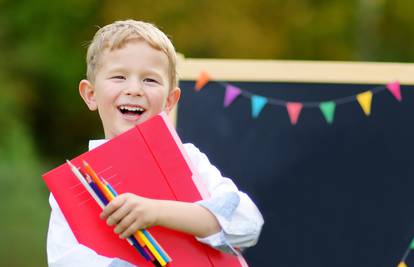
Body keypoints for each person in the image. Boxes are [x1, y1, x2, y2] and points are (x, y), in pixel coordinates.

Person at [47, 19, 264, 267]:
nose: (134, 89)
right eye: (119, 76)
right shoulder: (75, 185)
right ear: (91, 94)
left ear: (170, 100)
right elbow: (65, 261)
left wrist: (155, 212)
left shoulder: (188, 159)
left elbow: (246, 222)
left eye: (150, 80)